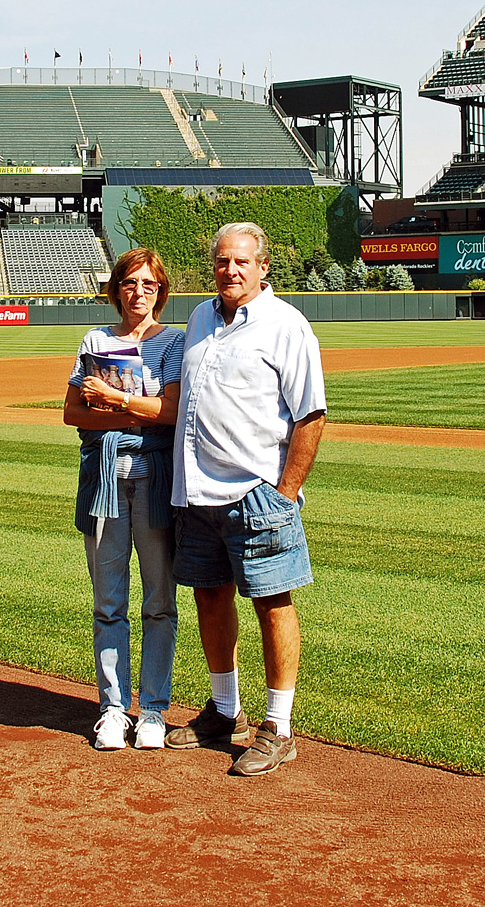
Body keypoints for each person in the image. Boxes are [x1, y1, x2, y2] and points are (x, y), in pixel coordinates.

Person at [165, 221, 326, 776]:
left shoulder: (287, 325)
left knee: (271, 602)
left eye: (241, 262)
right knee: (209, 599)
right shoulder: (200, 317)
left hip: (257, 492)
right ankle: (224, 711)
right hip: (198, 494)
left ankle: (279, 726)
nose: (230, 270)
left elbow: (310, 415)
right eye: (221, 261)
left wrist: (286, 493)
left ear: (262, 268)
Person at [63, 247, 184, 751]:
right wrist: (133, 412)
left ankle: (153, 709)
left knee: (159, 602)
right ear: (116, 290)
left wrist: (114, 402)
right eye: (130, 283)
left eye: (149, 285)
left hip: (155, 478)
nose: (139, 293)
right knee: (108, 602)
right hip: (105, 478)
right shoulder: (95, 339)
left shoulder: (176, 342)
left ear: (160, 292)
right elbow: (73, 413)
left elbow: (173, 412)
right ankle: (113, 708)